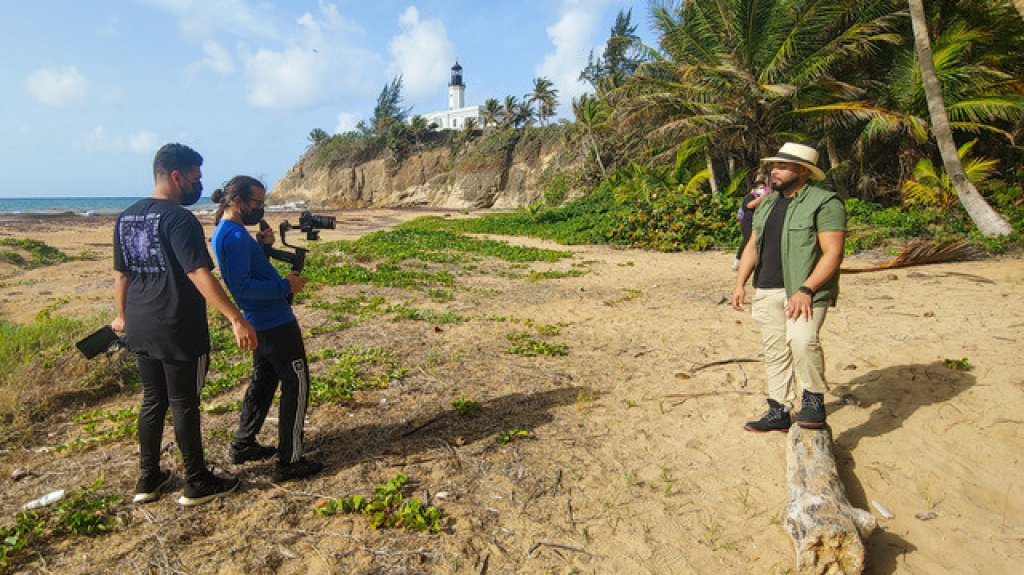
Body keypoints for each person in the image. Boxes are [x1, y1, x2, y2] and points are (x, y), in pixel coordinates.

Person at [113, 143, 258, 505]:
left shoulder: (127, 217)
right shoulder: (179, 220)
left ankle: (148, 480)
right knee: (184, 402)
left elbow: (121, 275)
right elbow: (197, 272)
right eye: (196, 178)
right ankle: (196, 480)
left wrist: (120, 316)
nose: (200, 185)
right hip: (177, 325)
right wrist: (235, 318)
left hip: (140, 323)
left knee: (152, 401)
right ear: (176, 176)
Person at [209, 176, 323, 483]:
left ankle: (243, 444)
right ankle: (290, 460)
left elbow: (247, 270)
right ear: (236, 202)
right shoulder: (231, 237)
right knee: (296, 383)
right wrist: (285, 285)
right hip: (273, 321)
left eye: (263, 203)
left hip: (264, 320)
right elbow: (243, 288)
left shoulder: (231, 232)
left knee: (264, 381)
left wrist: (262, 248)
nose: (261, 209)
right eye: (256, 203)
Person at [730, 142, 846, 432]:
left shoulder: (825, 202)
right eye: (773, 166)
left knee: (803, 340)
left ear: (803, 171)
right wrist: (740, 283)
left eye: (782, 166)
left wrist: (806, 290)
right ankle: (778, 409)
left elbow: (833, 252)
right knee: (775, 351)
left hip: (805, 290)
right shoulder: (767, 202)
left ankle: (813, 400)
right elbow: (752, 246)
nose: (774, 171)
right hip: (767, 288)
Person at [733, 177, 771, 270]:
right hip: (747, 222)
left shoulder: (764, 199)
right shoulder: (750, 196)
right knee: (747, 240)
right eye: (760, 188)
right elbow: (749, 205)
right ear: (755, 189)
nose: (762, 190)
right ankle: (737, 260)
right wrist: (762, 197)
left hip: (757, 223)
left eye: (764, 188)